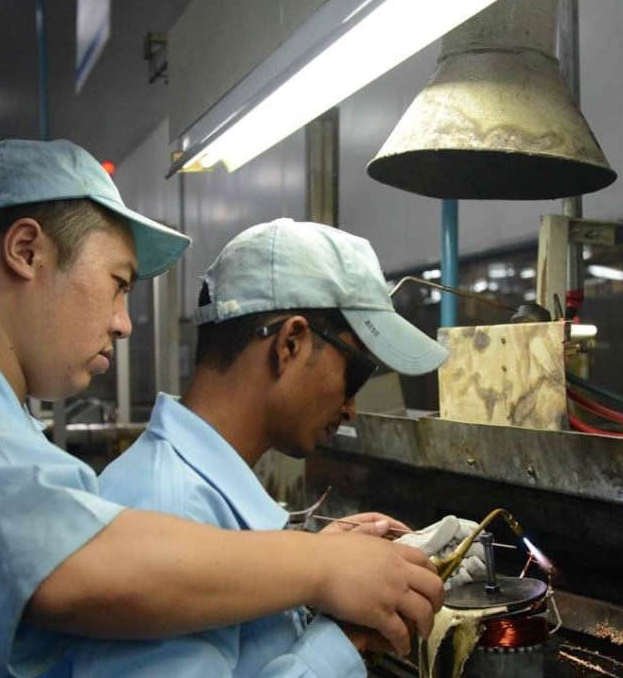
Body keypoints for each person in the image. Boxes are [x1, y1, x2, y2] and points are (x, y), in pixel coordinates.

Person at [0, 141, 444, 677]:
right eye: (118, 282)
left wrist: (311, 561)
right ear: (26, 251)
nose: (122, 322)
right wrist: (321, 570)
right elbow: (79, 567)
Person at [57, 219, 455, 677]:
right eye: (356, 375)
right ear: (289, 344)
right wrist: (341, 643)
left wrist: (313, 570)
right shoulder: (168, 508)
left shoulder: (194, 498)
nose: (351, 409)